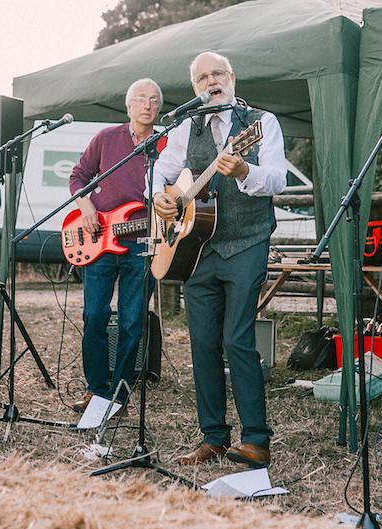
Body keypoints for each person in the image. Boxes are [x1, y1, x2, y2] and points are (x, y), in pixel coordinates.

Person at [151, 51, 286, 469]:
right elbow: (162, 170)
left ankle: (256, 440)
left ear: (231, 77)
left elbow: (277, 179)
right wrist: (160, 195)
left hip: (246, 242)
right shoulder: (185, 128)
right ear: (194, 88)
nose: (211, 81)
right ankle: (212, 437)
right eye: (201, 78)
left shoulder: (260, 123)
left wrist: (245, 170)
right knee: (203, 343)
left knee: (237, 340)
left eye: (217, 74)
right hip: (196, 249)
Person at [67, 78, 162, 411]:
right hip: (99, 242)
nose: (147, 105)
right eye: (141, 99)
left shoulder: (166, 144)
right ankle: (96, 388)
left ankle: (119, 394)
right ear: (129, 105)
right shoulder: (107, 138)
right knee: (94, 315)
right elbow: (78, 175)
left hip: (142, 244)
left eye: (154, 100)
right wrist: (86, 206)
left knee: (132, 322)